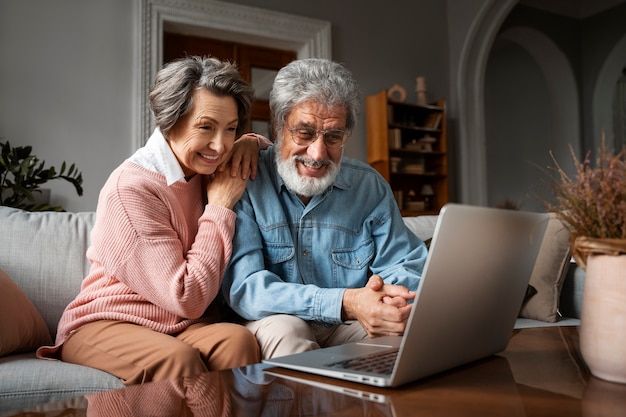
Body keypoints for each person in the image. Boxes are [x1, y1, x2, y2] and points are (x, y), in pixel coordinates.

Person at [37, 56, 269, 384]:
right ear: (171, 122)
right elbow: (187, 297)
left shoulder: (207, 163)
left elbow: (270, 153)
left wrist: (250, 142)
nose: (220, 146)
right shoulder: (131, 189)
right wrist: (219, 207)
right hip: (107, 324)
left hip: (179, 326)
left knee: (238, 341)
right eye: (206, 127)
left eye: (230, 129)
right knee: (178, 360)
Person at [222, 58, 428, 359]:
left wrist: (386, 302)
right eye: (304, 133)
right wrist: (346, 301)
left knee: (408, 328)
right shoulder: (246, 179)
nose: (318, 153)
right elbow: (247, 289)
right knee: (289, 333)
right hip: (274, 319)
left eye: (333, 137)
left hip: (348, 323)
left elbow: (407, 266)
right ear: (278, 128)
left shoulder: (369, 187)